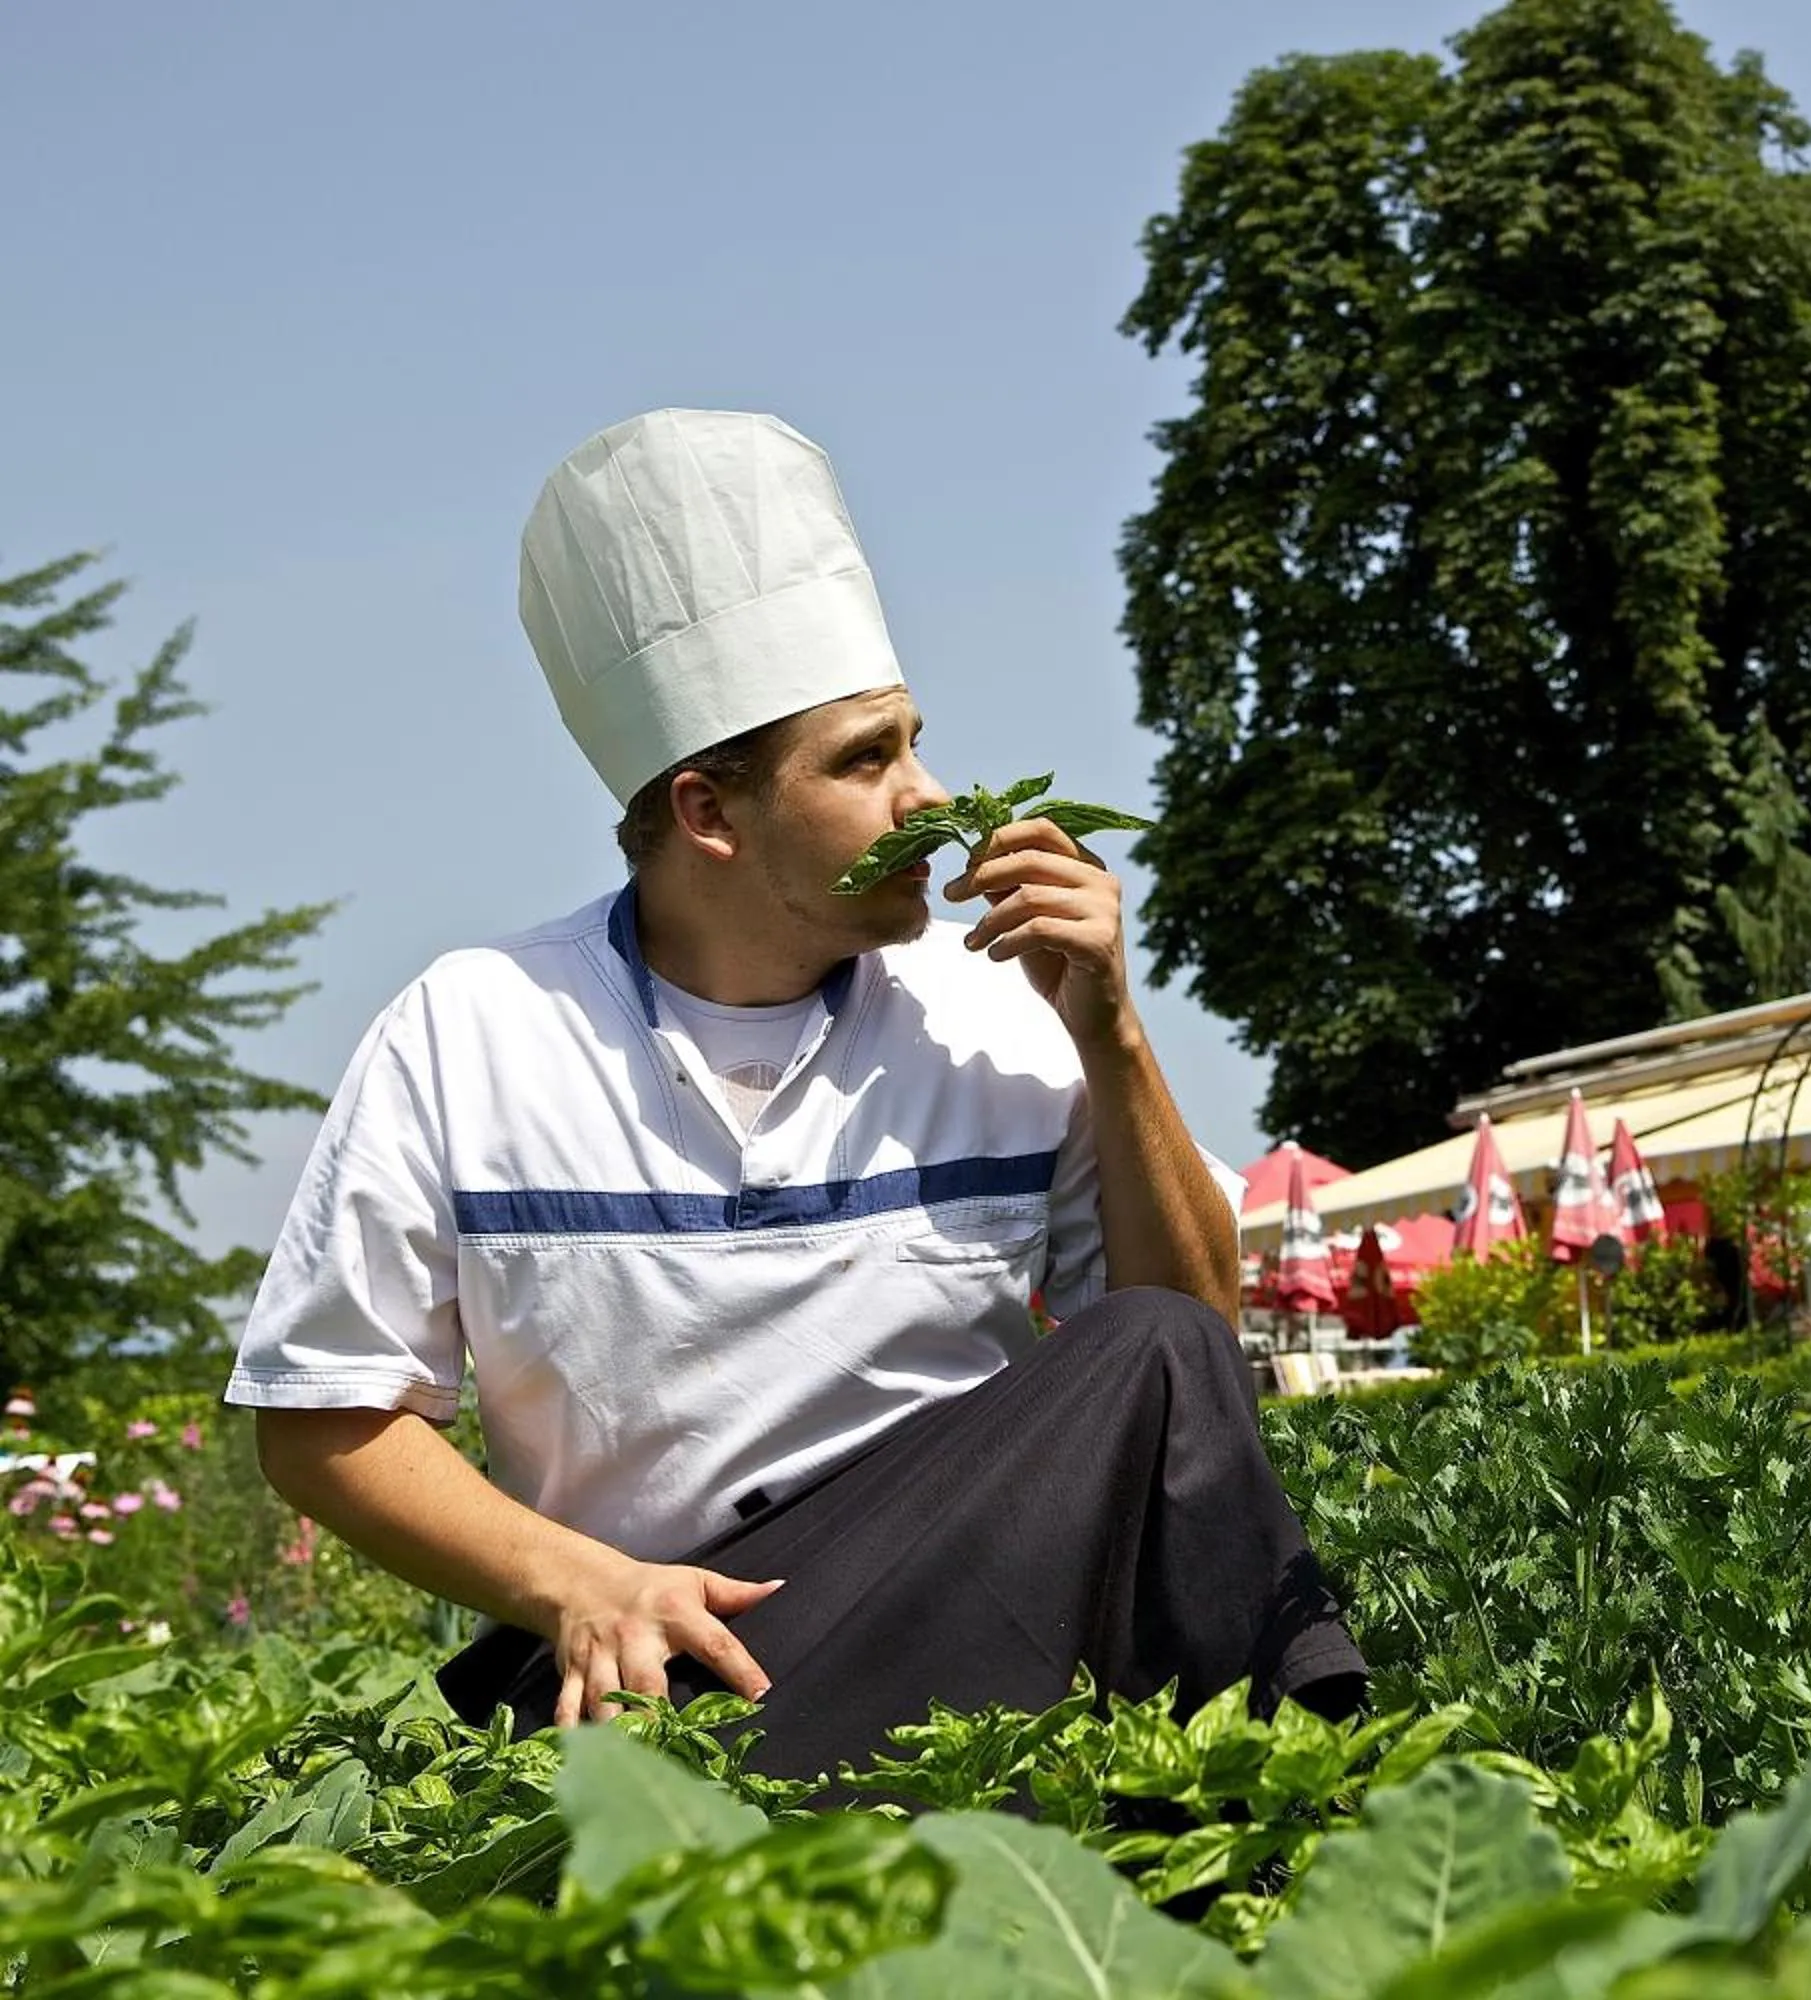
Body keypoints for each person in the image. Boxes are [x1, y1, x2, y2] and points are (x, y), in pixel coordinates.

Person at [227, 409, 1364, 1785]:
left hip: (974, 1608)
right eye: (865, 760)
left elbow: (1197, 1337)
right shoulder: (471, 1031)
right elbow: (322, 1422)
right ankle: (1278, 1810)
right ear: (710, 812)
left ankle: (1265, 1811)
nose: (931, 800)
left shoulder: (994, 1010)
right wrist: (582, 1587)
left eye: (913, 745)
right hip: (667, 1665)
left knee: (1156, 1347)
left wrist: (1112, 1035)